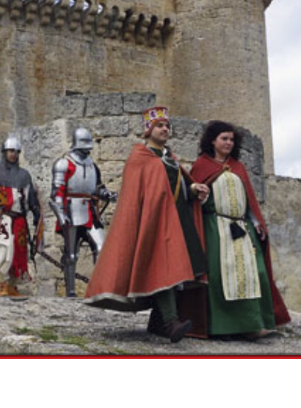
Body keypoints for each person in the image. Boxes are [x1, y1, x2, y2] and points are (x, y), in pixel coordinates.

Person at [84, 106, 210, 343]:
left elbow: (178, 185)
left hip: (176, 220)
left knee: (175, 268)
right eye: (159, 126)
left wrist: (193, 188)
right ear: (148, 130)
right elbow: (137, 197)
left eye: (167, 126)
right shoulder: (139, 159)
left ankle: (157, 323)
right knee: (165, 267)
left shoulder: (170, 159)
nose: (165, 129)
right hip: (153, 222)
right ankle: (170, 322)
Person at [187, 121, 291, 338]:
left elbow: (249, 199)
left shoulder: (238, 167)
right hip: (215, 229)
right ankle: (222, 328)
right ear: (213, 141)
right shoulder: (201, 166)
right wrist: (199, 194)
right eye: (224, 139)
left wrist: (256, 223)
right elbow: (193, 202)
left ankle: (253, 325)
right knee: (220, 277)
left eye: (232, 139)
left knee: (254, 274)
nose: (229, 143)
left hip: (242, 229)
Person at [50, 127, 117, 297]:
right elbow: (57, 193)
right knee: (71, 255)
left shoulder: (93, 165)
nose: (88, 149)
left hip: (90, 211)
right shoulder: (63, 164)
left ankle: (99, 289)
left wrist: (106, 194)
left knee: (102, 248)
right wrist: (61, 214)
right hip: (71, 210)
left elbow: (97, 188)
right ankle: (71, 292)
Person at [0, 136, 41, 297]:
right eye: (11, 151)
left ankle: (12, 285)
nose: (14, 154)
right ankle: (3, 284)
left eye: (17, 152)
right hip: (1, 218)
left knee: (19, 251)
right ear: (4, 152)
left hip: (19, 219)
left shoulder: (24, 175)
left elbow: (31, 198)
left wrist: (35, 211)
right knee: (4, 251)